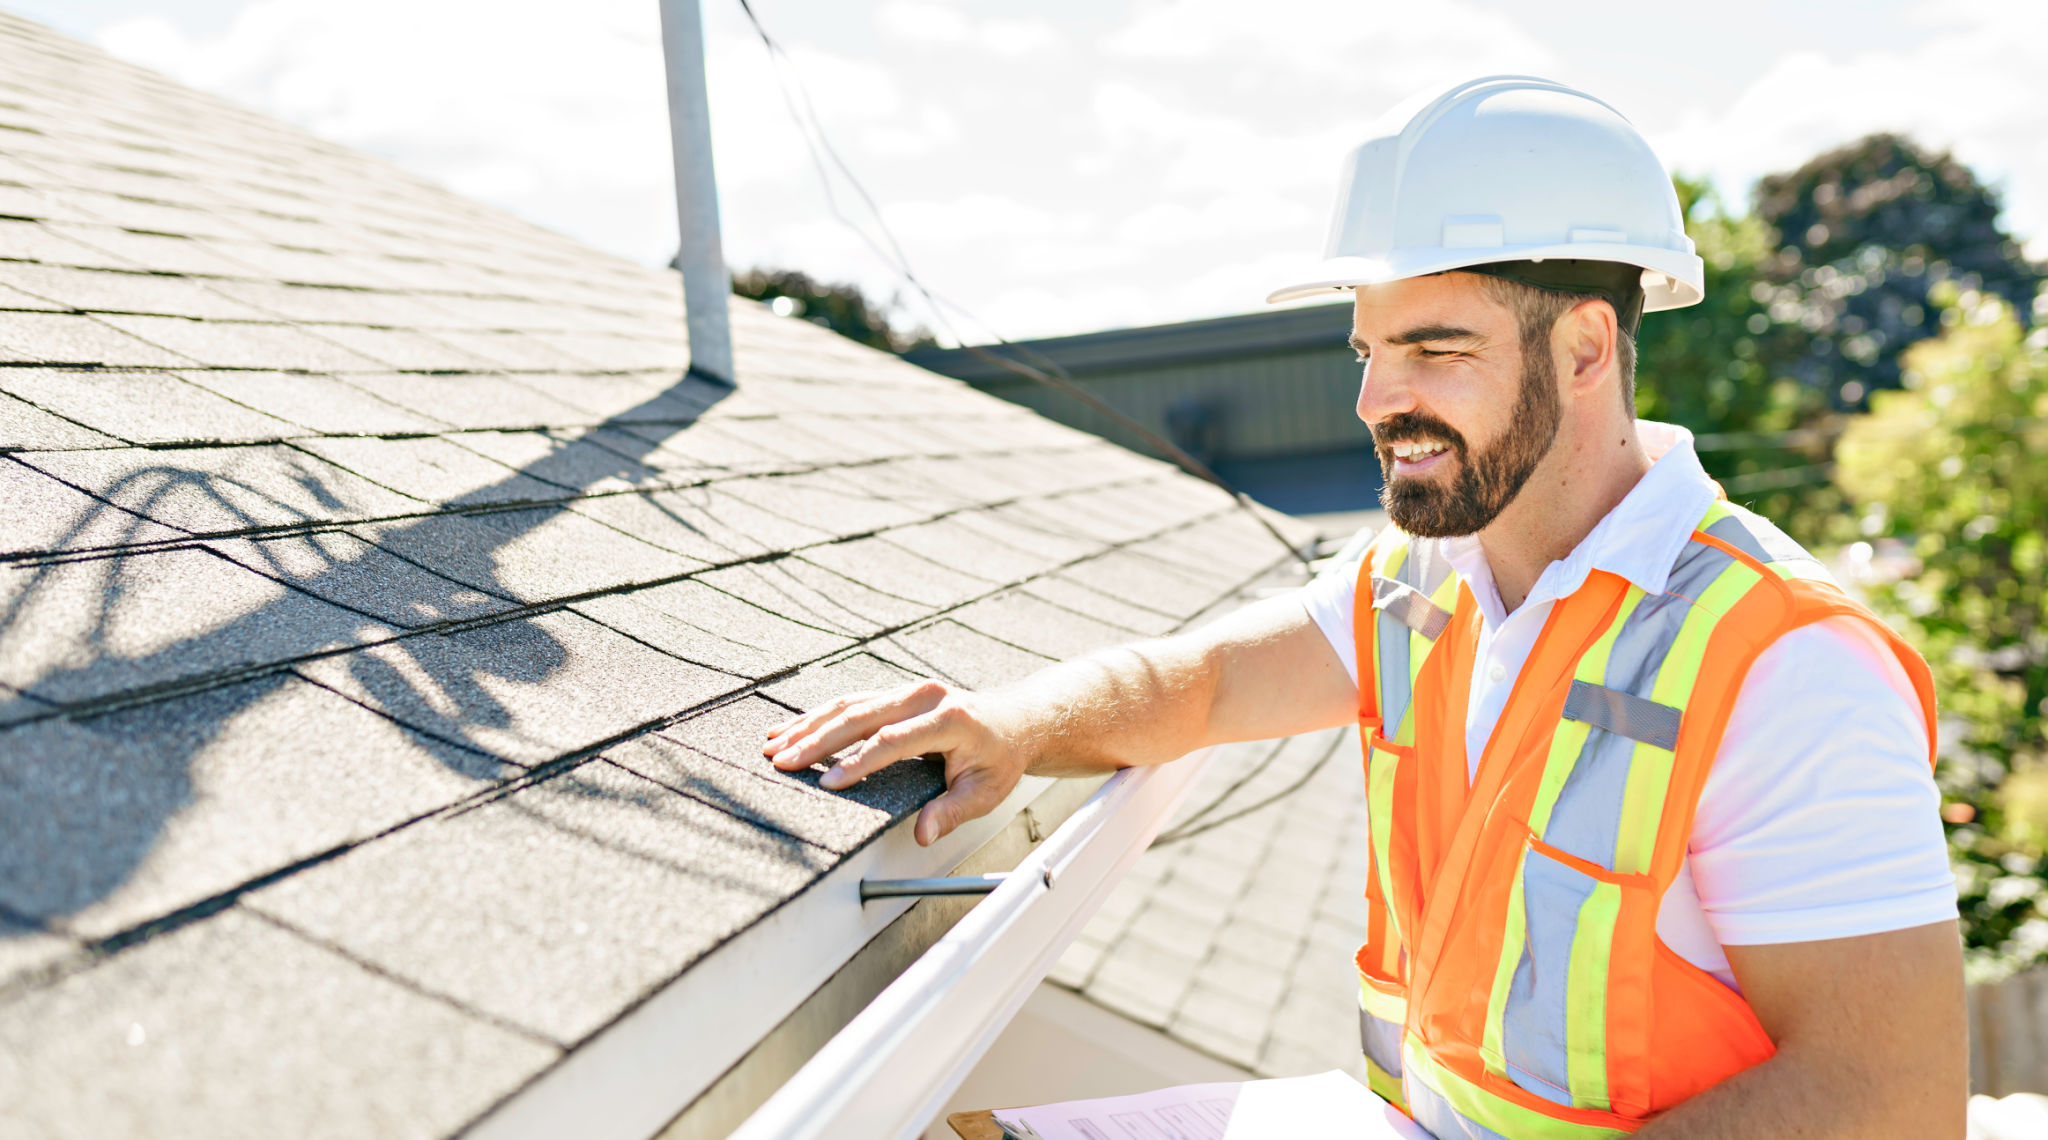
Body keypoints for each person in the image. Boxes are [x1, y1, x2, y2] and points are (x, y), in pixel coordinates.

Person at [763, 76, 1964, 1139]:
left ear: (1587, 348)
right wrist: (1011, 723)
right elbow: (1212, 681)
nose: (1378, 400)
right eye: (1365, 351)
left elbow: (1888, 1103)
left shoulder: (1783, 662)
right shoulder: (1422, 576)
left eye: (1434, 350)